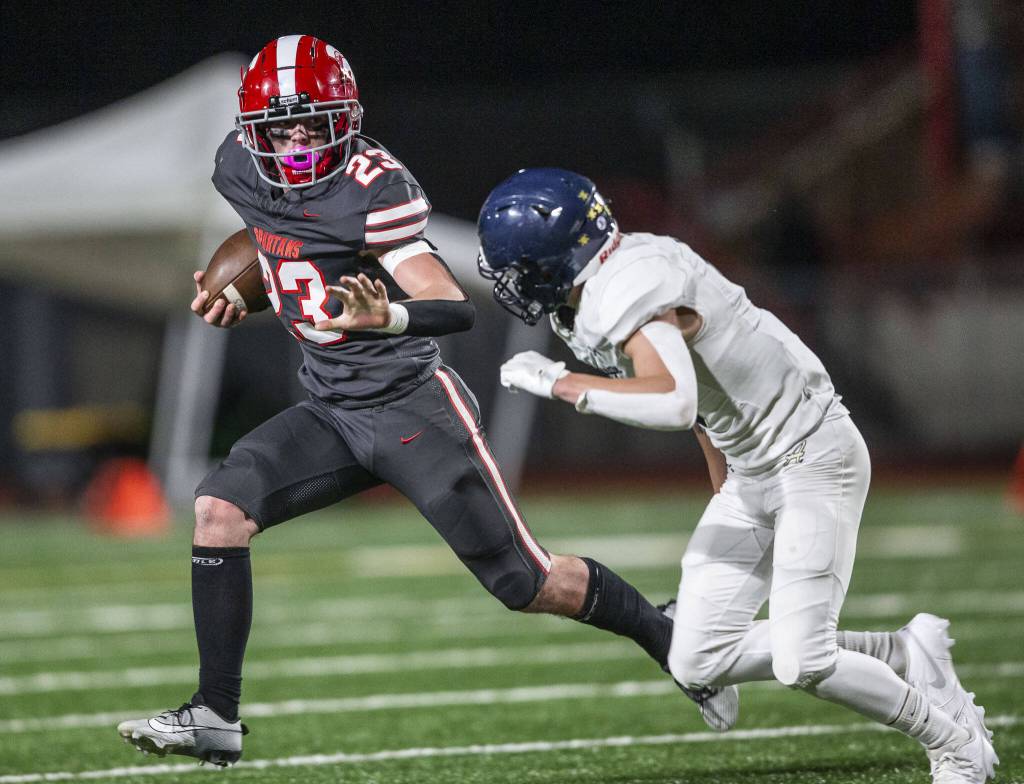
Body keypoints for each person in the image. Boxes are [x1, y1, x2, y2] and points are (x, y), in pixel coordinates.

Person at [115, 37, 737, 767]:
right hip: (331, 410)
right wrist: (237, 296)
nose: (293, 143)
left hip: (414, 410)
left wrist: (389, 316)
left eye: (311, 125)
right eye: (278, 128)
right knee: (219, 508)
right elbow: (276, 243)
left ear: (343, 119)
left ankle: (668, 638)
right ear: (253, 130)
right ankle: (216, 714)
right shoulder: (238, 168)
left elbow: (450, 301)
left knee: (527, 582)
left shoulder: (373, 187)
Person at [475, 167, 998, 784]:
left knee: (804, 660)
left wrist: (561, 384)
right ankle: (906, 652)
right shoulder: (601, 286)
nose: (510, 284)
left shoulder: (628, 288)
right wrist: (724, 486)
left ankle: (957, 742)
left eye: (514, 269)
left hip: (811, 453)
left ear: (551, 260)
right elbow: (706, 406)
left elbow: (674, 400)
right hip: (755, 469)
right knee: (696, 659)